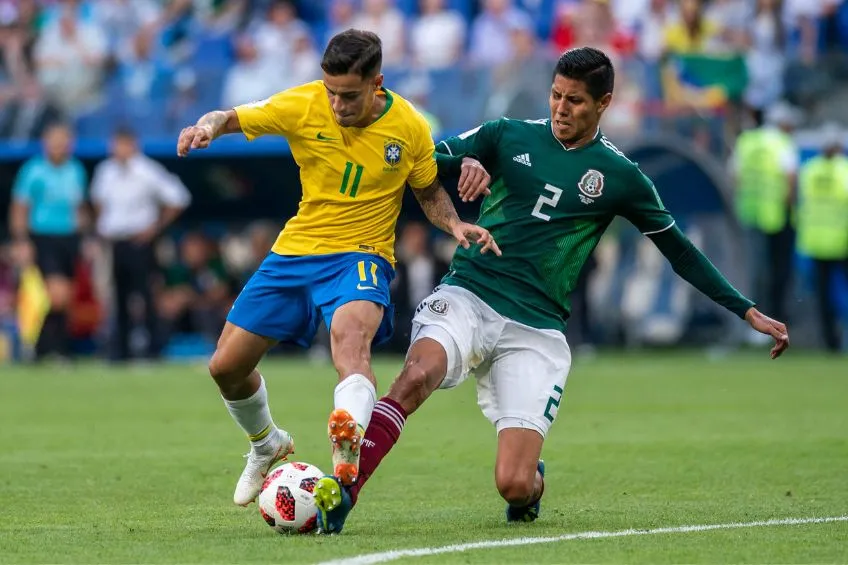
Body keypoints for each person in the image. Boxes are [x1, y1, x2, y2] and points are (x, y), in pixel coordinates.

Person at [312, 46, 790, 533]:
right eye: (556, 96)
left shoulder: (622, 176)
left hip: (535, 327)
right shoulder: (507, 133)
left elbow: (680, 251)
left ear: (604, 103)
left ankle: (532, 484)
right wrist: (463, 165)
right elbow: (423, 162)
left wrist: (746, 310)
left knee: (513, 484)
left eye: (576, 101)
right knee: (415, 377)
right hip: (469, 294)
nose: (561, 109)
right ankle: (343, 492)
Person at [175, 29, 499, 508]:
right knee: (226, 367)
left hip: (362, 254)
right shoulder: (304, 103)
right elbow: (230, 116)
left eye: (348, 95)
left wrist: (453, 225)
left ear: (377, 83)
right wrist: (205, 127)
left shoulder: (408, 125)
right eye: (331, 92)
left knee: (349, 342)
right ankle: (267, 444)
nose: (337, 105)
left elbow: (428, 192)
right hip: (297, 251)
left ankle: (345, 446)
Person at [91, 126, 191, 361]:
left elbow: (178, 198)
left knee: (145, 295)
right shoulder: (105, 171)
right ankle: (120, 351)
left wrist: (154, 228)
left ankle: (153, 349)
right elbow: (97, 201)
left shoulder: (147, 170)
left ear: (133, 145)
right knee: (119, 296)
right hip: (115, 242)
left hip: (140, 242)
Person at [8, 122, 88, 361]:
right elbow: (20, 208)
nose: (59, 146)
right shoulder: (33, 170)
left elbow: (80, 207)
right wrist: (21, 241)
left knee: (66, 297)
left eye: (63, 141)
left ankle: (49, 349)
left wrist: (87, 237)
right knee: (57, 294)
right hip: (43, 237)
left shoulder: (76, 170)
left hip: (69, 238)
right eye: (54, 141)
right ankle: (48, 347)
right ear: (45, 143)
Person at [795, 123, 848, 352]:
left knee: (824, 297)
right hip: (842, 241)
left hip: (815, 241)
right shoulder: (844, 169)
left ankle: (830, 343)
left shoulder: (809, 170)